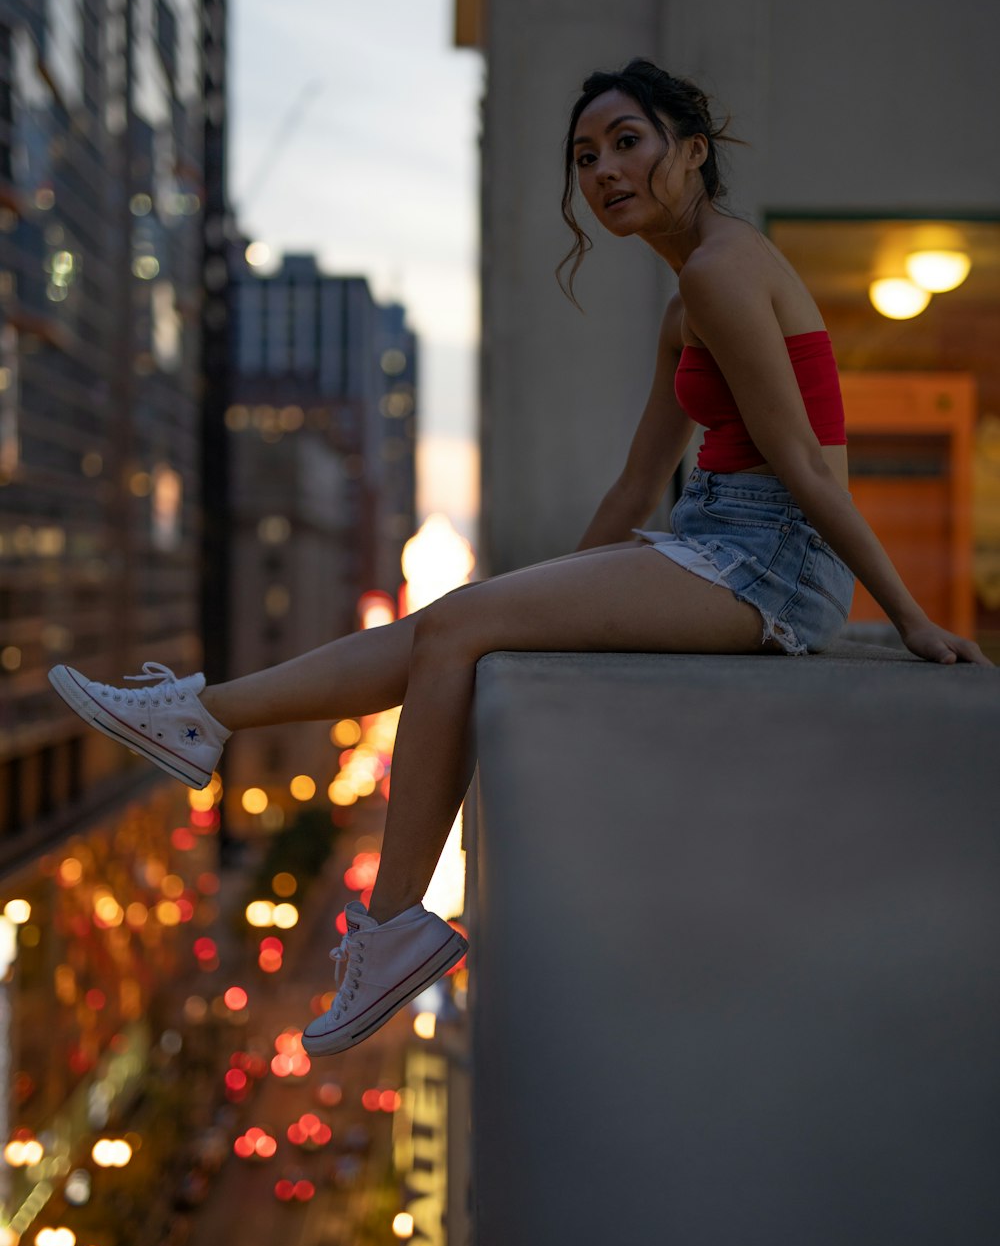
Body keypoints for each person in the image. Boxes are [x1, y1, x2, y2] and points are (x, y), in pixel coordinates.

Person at [49, 58, 994, 1056]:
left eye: (627, 143)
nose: (603, 172)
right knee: (453, 623)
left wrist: (908, 619)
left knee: (456, 623)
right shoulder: (693, 295)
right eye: (585, 156)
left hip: (770, 562)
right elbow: (638, 486)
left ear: (691, 151)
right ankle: (202, 718)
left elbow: (803, 464)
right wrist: (549, 599)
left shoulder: (721, 271)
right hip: (716, 538)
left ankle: (382, 920)